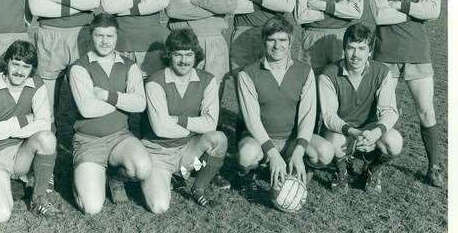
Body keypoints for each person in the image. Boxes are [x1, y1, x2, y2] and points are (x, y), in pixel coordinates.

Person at [370, 0, 443, 187]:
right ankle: (374, 167)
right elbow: (380, 16)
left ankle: (434, 167)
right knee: (382, 112)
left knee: (426, 111)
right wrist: (416, 12)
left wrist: (399, 6)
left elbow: (433, 11)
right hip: (386, 55)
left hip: (417, 54)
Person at [236, 16, 334, 195]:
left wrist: (299, 150)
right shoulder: (247, 74)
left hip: (292, 140)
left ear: (290, 42)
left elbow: (308, 115)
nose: (277, 46)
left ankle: (297, 163)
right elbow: (252, 120)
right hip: (260, 140)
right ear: (263, 41)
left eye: (282, 40)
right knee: (247, 154)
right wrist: (272, 153)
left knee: (325, 152)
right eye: (271, 40)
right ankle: (252, 174)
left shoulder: (305, 71)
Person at [68, 13, 151, 214]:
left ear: (117, 37)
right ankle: (78, 177)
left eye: (110, 36)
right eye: (99, 35)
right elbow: (87, 109)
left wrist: (105, 95)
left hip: (120, 138)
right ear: (91, 36)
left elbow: (140, 104)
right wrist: (123, 100)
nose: (105, 41)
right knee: (92, 208)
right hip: (88, 142)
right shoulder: (79, 68)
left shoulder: (129, 66)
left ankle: (115, 177)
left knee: (142, 169)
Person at [141, 29, 228, 212]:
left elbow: (211, 123)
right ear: (168, 55)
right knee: (159, 206)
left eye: (189, 55)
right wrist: (197, 126)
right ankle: (174, 176)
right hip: (158, 153)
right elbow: (161, 129)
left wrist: (178, 119)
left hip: (188, 150)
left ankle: (198, 188)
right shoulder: (154, 82)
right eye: (177, 55)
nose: (184, 61)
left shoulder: (207, 80)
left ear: (196, 55)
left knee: (218, 138)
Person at [0, 41, 59, 221]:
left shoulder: (36, 83)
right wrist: (22, 121)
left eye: (26, 67)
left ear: (32, 68)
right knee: (2, 214)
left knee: (47, 138)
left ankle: (38, 198)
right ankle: (1, 183)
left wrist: (6, 130)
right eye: (15, 64)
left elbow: (43, 123)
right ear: (7, 62)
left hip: (21, 153)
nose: (19, 71)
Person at [318, 23, 403, 193]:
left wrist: (375, 133)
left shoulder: (382, 72)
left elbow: (389, 111)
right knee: (334, 142)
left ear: (370, 51)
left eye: (362, 48)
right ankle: (342, 171)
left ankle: (372, 170)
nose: (356, 55)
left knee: (394, 142)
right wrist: (354, 133)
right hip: (342, 131)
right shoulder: (328, 74)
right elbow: (329, 117)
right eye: (351, 48)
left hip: (369, 131)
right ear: (344, 49)